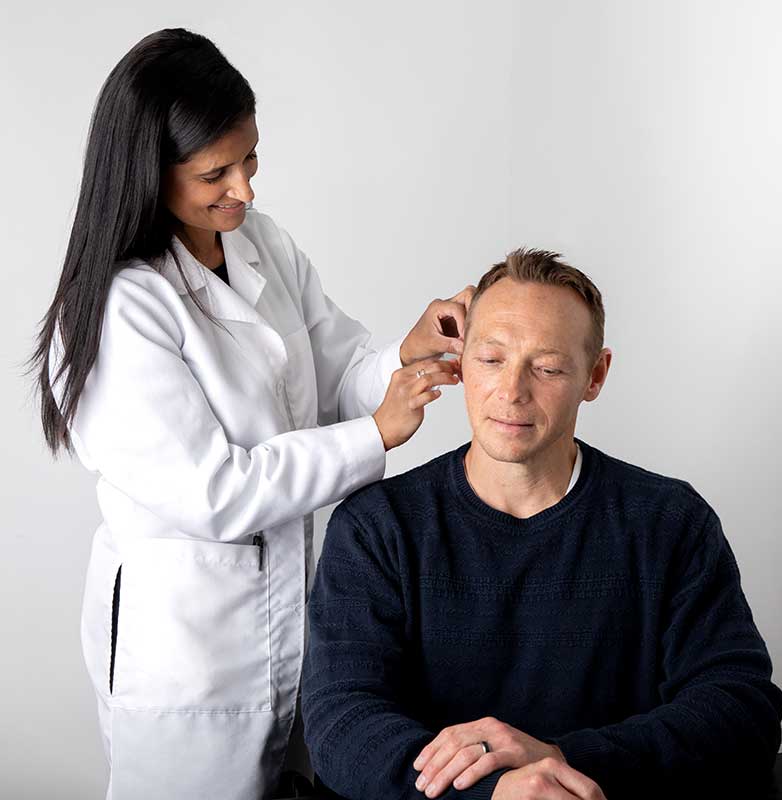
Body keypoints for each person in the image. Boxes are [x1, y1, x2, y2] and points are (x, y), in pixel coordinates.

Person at [30, 28, 473, 800]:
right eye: (216, 173)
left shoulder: (259, 241)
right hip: (192, 658)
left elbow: (337, 373)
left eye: (251, 159)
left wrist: (405, 357)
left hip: (298, 631)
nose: (245, 189)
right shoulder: (122, 306)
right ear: (149, 172)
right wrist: (375, 433)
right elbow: (214, 492)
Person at [302, 248, 782, 800]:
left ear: (594, 376)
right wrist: (495, 792)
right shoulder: (377, 527)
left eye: (549, 367)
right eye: (490, 360)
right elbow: (342, 726)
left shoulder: (669, 522)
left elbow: (740, 706)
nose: (512, 392)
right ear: (460, 361)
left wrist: (561, 759)